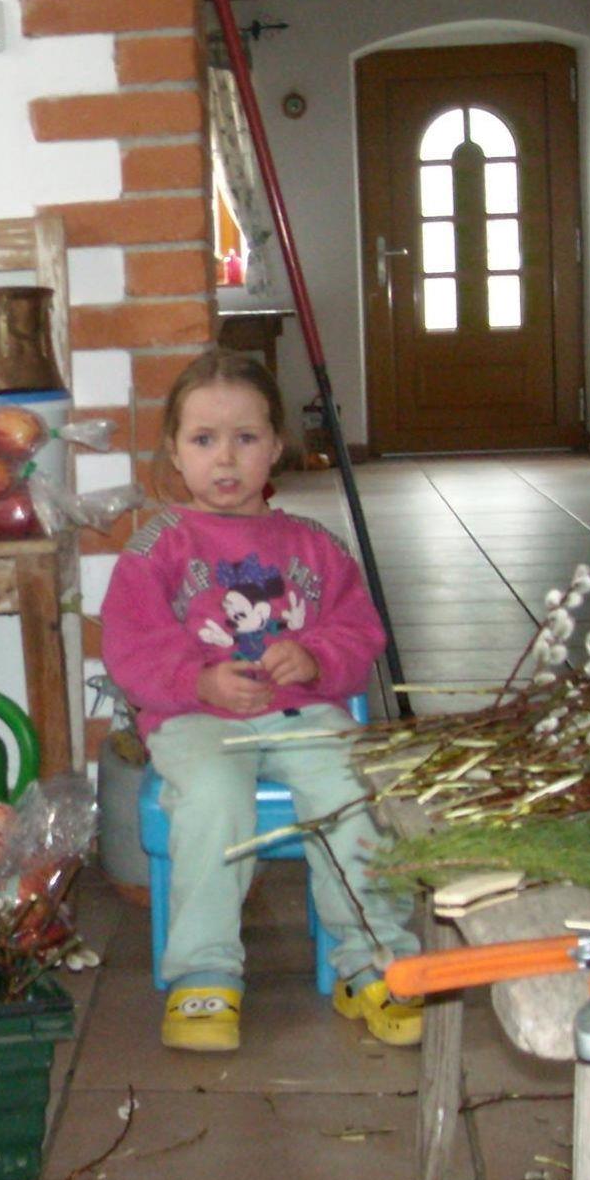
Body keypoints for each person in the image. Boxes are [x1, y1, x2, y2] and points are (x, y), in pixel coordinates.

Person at [99, 351, 420, 1054]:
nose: (225, 457)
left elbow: (359, 629)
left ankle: (375, 959)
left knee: (352, 793)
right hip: (196, 722)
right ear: (174, 452)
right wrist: (198, 680)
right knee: (213, 800)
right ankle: (204, 970)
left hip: (304, 714)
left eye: (245, 437)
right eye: (203, 439)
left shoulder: (315, 545)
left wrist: (315, 656)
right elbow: (130, 645)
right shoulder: (155, 549)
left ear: (275, 446)